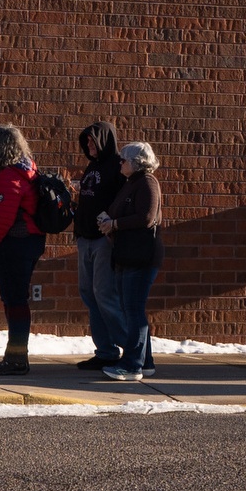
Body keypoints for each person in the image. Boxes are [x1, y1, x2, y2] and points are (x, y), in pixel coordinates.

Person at [0, 124, 43, 377]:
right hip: (26, 243)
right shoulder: (27, 169)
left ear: (1, 147)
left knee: (14, 300)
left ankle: (16, 359)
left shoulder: (9, 176)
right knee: (16, 299)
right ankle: (15, 356)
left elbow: (4, 216)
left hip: (15, 243)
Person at [101, 143, 163, 381]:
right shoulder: (131, 184)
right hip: (127, 254)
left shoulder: (147, 182)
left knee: (133, 309)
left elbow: (147, 218)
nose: (120, 163)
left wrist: (115, 224)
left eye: (124, 160)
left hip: (141, 256)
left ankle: (132, 365)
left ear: (137, 162)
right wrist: (108, 222)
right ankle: (145, 362)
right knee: (131, 309)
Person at [72, 122, 127, 374]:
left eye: (93, 142)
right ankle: (105, 352)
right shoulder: (92, 166)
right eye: (87, 143)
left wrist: (112, 226)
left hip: (103, 240)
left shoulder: (117, 166)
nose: (90, 146)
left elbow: (124, 201)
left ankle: (133, 350)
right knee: (89, 295)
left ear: (104, 140)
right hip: (85, 238)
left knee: (105, 295)